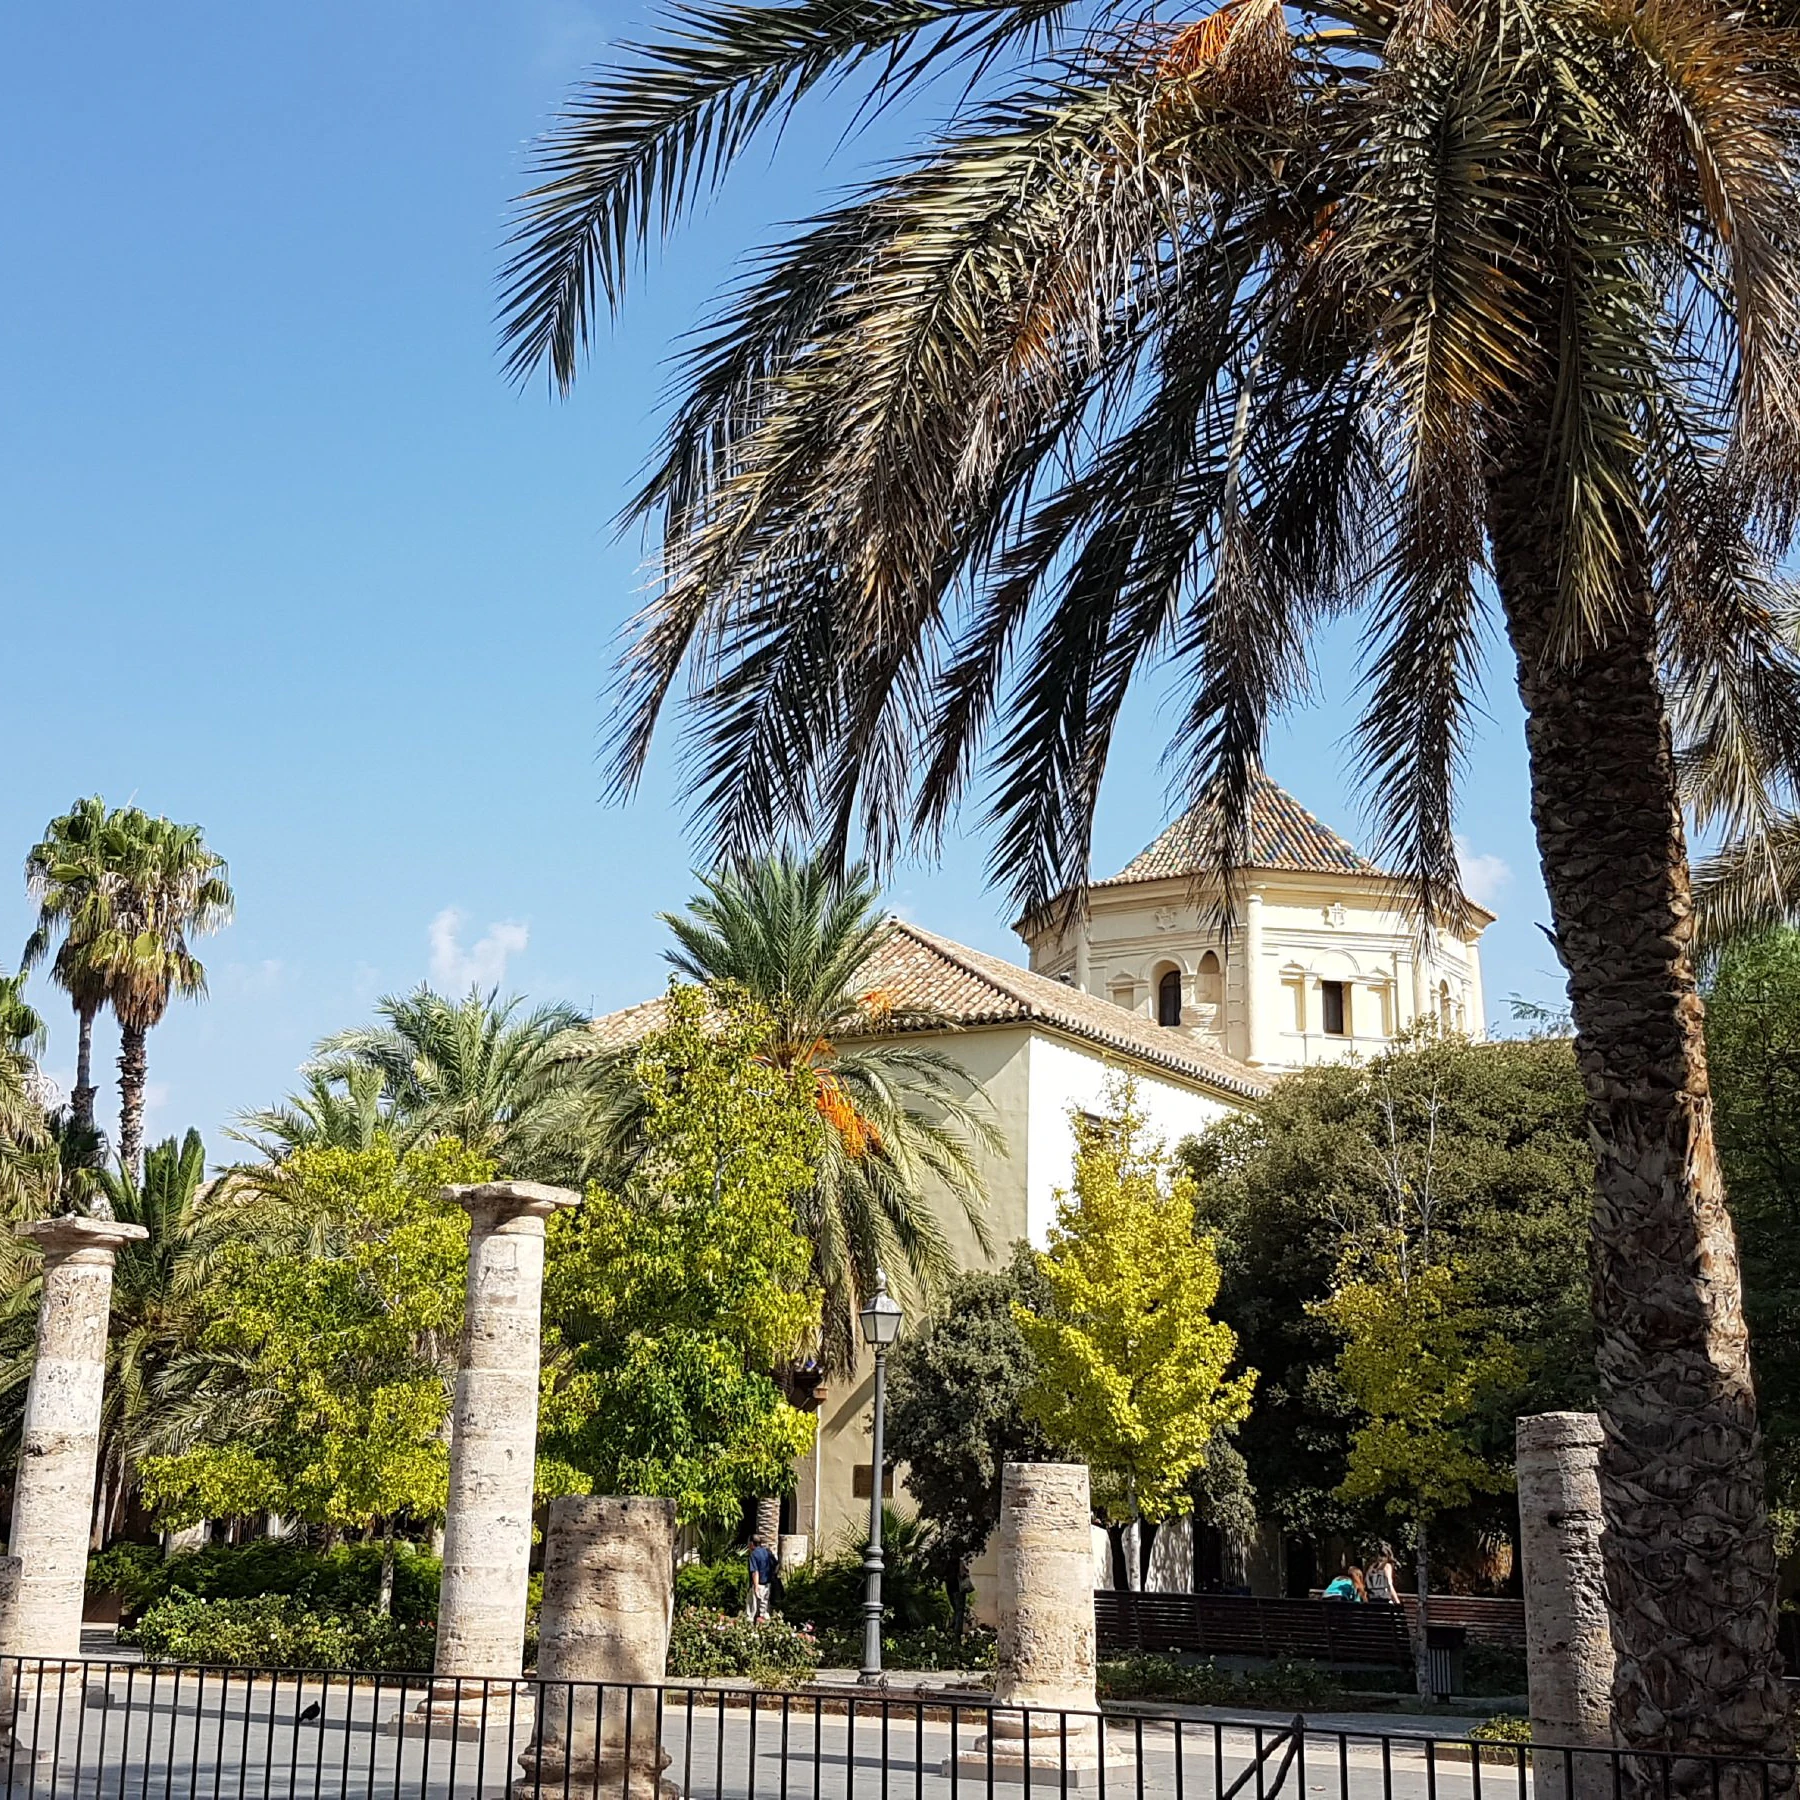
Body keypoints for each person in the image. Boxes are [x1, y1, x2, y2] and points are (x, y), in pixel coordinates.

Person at [745, 1536, 778, 1623]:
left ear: (752, 1543)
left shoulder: (754, 1554)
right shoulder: (767, 1552)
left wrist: (755, 1586)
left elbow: (755, 1571)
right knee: (764, 1609)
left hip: (758, 1584)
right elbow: (775, 1564)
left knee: (751, 1610)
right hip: (767, 1585)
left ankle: (749, 1627)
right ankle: (766, 1627)